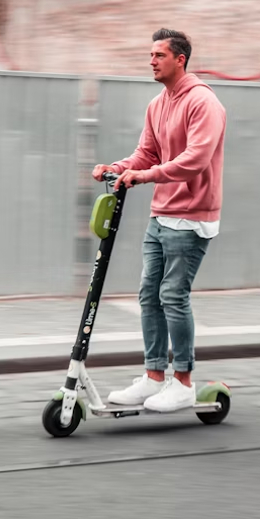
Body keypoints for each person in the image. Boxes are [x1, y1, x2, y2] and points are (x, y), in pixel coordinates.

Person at [91, 29, 227, 412]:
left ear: (179, 59)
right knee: (148, 295)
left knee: (173, 295)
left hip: (192, 215)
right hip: (161, 214)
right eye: (150, 55)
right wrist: (117, 168)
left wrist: (146, 176)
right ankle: (153, 377)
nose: (151, 60)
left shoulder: (203, 103)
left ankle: (182, 381)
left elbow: (196, 160)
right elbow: (146, 152)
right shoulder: (158, 104)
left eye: (158, 55)